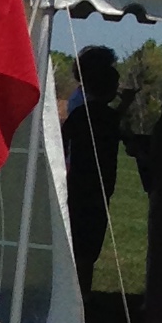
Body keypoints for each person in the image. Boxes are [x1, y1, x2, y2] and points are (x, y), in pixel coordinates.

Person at [61, 46, 123, 287]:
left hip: (81, 184)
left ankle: (79, 293)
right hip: (94, 187)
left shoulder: (81, 114)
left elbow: (63, 139)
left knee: (80, 245)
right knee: (86, 248)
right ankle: (81, 294)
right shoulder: (107, 118)